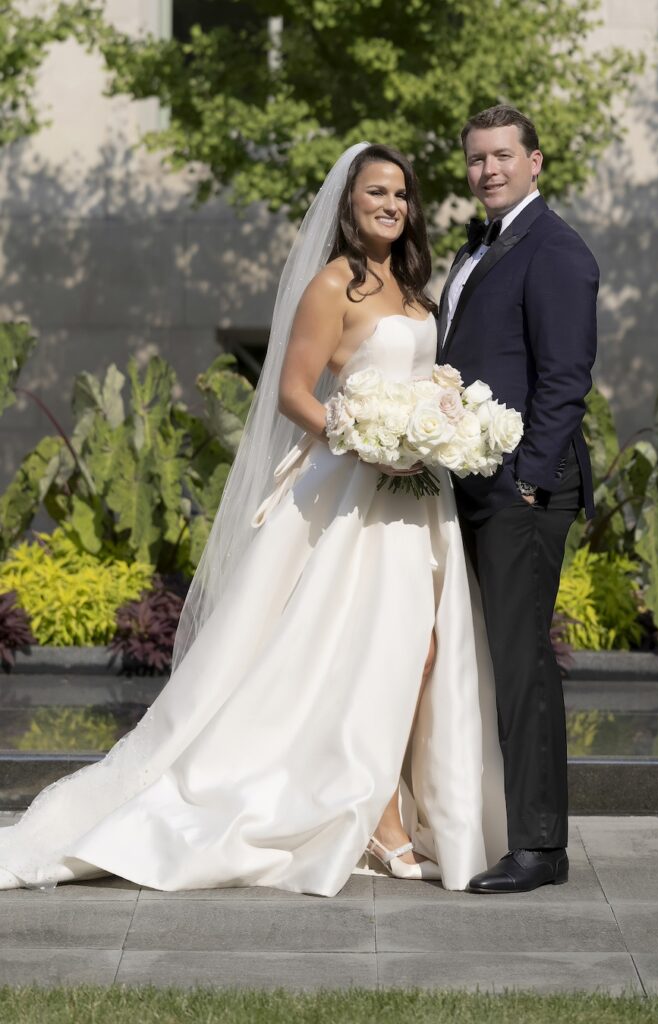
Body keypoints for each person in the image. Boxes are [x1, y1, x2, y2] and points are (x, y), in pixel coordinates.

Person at [0, 143, 507, 897]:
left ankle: (385, 804)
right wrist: (361, 436)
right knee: (379, 647)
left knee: (420, 651)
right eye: (376, 192)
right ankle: (377, 816)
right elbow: (293, 392)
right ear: (348, 203)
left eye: (401, 194)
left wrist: (436, 425)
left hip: (417, 497)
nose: (391, 205)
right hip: (353, 492)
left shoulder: (409, 284)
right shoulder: (332, 283)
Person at [437, 106, 599, 893]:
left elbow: (565, 376)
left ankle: (539, 847)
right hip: (468, 481)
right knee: (484, 657)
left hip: (523, 489)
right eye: (475, 159)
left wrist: (529, 474)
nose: (488, 169)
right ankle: (488, 820)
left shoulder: (557, 251)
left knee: (521, 660)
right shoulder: (478, 247)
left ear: (535, 162)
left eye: (502, 156)